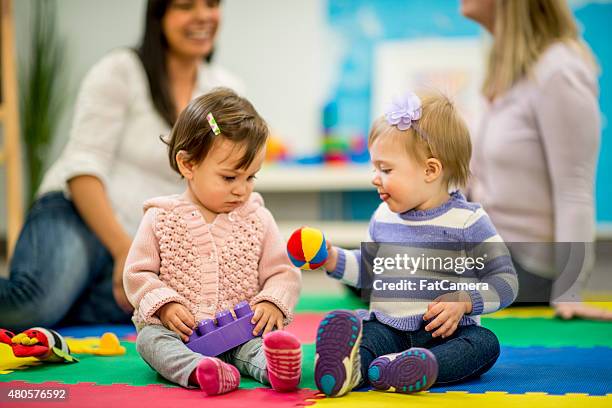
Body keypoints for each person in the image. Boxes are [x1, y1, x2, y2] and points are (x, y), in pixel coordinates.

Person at [0, 0, 245, 331]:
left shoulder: (224, 92)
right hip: (79, 216)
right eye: (186, 6)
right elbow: (82, 168)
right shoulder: (121, 70)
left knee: (182, 310)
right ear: (158, 17)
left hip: (145, 243)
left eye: (212, 4)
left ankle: (75, 293)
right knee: (32, 307)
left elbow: (223, 181)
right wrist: (124, 252)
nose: (203, 15)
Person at [312, 90, 518, 397]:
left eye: (386, 169)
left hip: (446, 335)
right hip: (388, 327)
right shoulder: (384, 216)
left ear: (430, 170)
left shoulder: (468, 221)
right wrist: (331, 259)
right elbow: (369, 271)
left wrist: (464, 300)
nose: (374, 178)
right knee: (366, 337)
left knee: (484, 344)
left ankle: (414, 367)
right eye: (374, 167)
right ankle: (351, 369)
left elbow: (506, 281)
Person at [124, 88, 302, 395]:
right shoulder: (160, 218)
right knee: (148, 342)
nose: (242, 190)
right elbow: (137, 273)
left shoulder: (258, 219)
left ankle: (276, 368)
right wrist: (164, 305)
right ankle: (199, 371)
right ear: (188, 165)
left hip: (240, 332)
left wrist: (273, 300)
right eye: (230, 178)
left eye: (251, 177)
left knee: (254, 346)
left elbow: (282, 272)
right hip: (176, 335)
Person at [462, 0, 612, 319]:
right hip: (490, 246)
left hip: (526, 266)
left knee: (388, 275)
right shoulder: (507, 69)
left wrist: (569, 291)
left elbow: (574, 189)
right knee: (376, 266)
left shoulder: (559, 70)